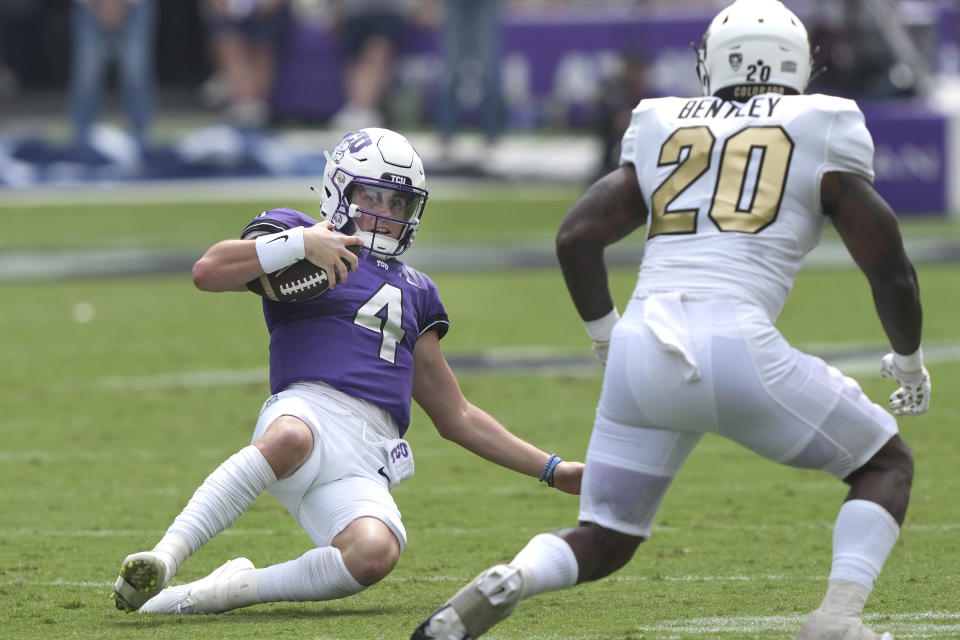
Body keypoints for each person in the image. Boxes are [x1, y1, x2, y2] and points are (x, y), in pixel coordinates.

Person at [410, 1, 930, 639]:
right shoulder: (824, 121)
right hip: (738, 344)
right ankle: (838, 621)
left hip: (642, 349)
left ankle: (515, 575)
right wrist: (908, 361)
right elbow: (890, 268)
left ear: (711, 61)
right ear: (799, 64)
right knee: (885, 465)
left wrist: (607, 338)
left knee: (605, 535)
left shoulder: (663, 119)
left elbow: (576, 236)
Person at [110, 127, 583, 617]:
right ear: (340, 191)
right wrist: (298, 243)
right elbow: (206, 272)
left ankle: (226, 590)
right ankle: (165, 557)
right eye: (371, 196)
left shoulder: (418, 290)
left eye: (398, 203)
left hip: (368, 453)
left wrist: (553, 469)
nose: (386, 212)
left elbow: (456, 414)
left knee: (375, 555)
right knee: (292, 437)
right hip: (306, 408)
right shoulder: (299, 234)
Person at [68, 0, 157, 151]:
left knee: (134, 67)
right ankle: (81, 137)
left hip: (136, 5)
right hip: (87, 6)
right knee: (88, 69)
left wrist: (118, 5)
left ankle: (140, 137)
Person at [201, 0, 293, 128]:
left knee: (264, 43)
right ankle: (243, 103)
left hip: (271, 14)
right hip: (232, 14)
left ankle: (252, 104)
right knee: (226, 38)